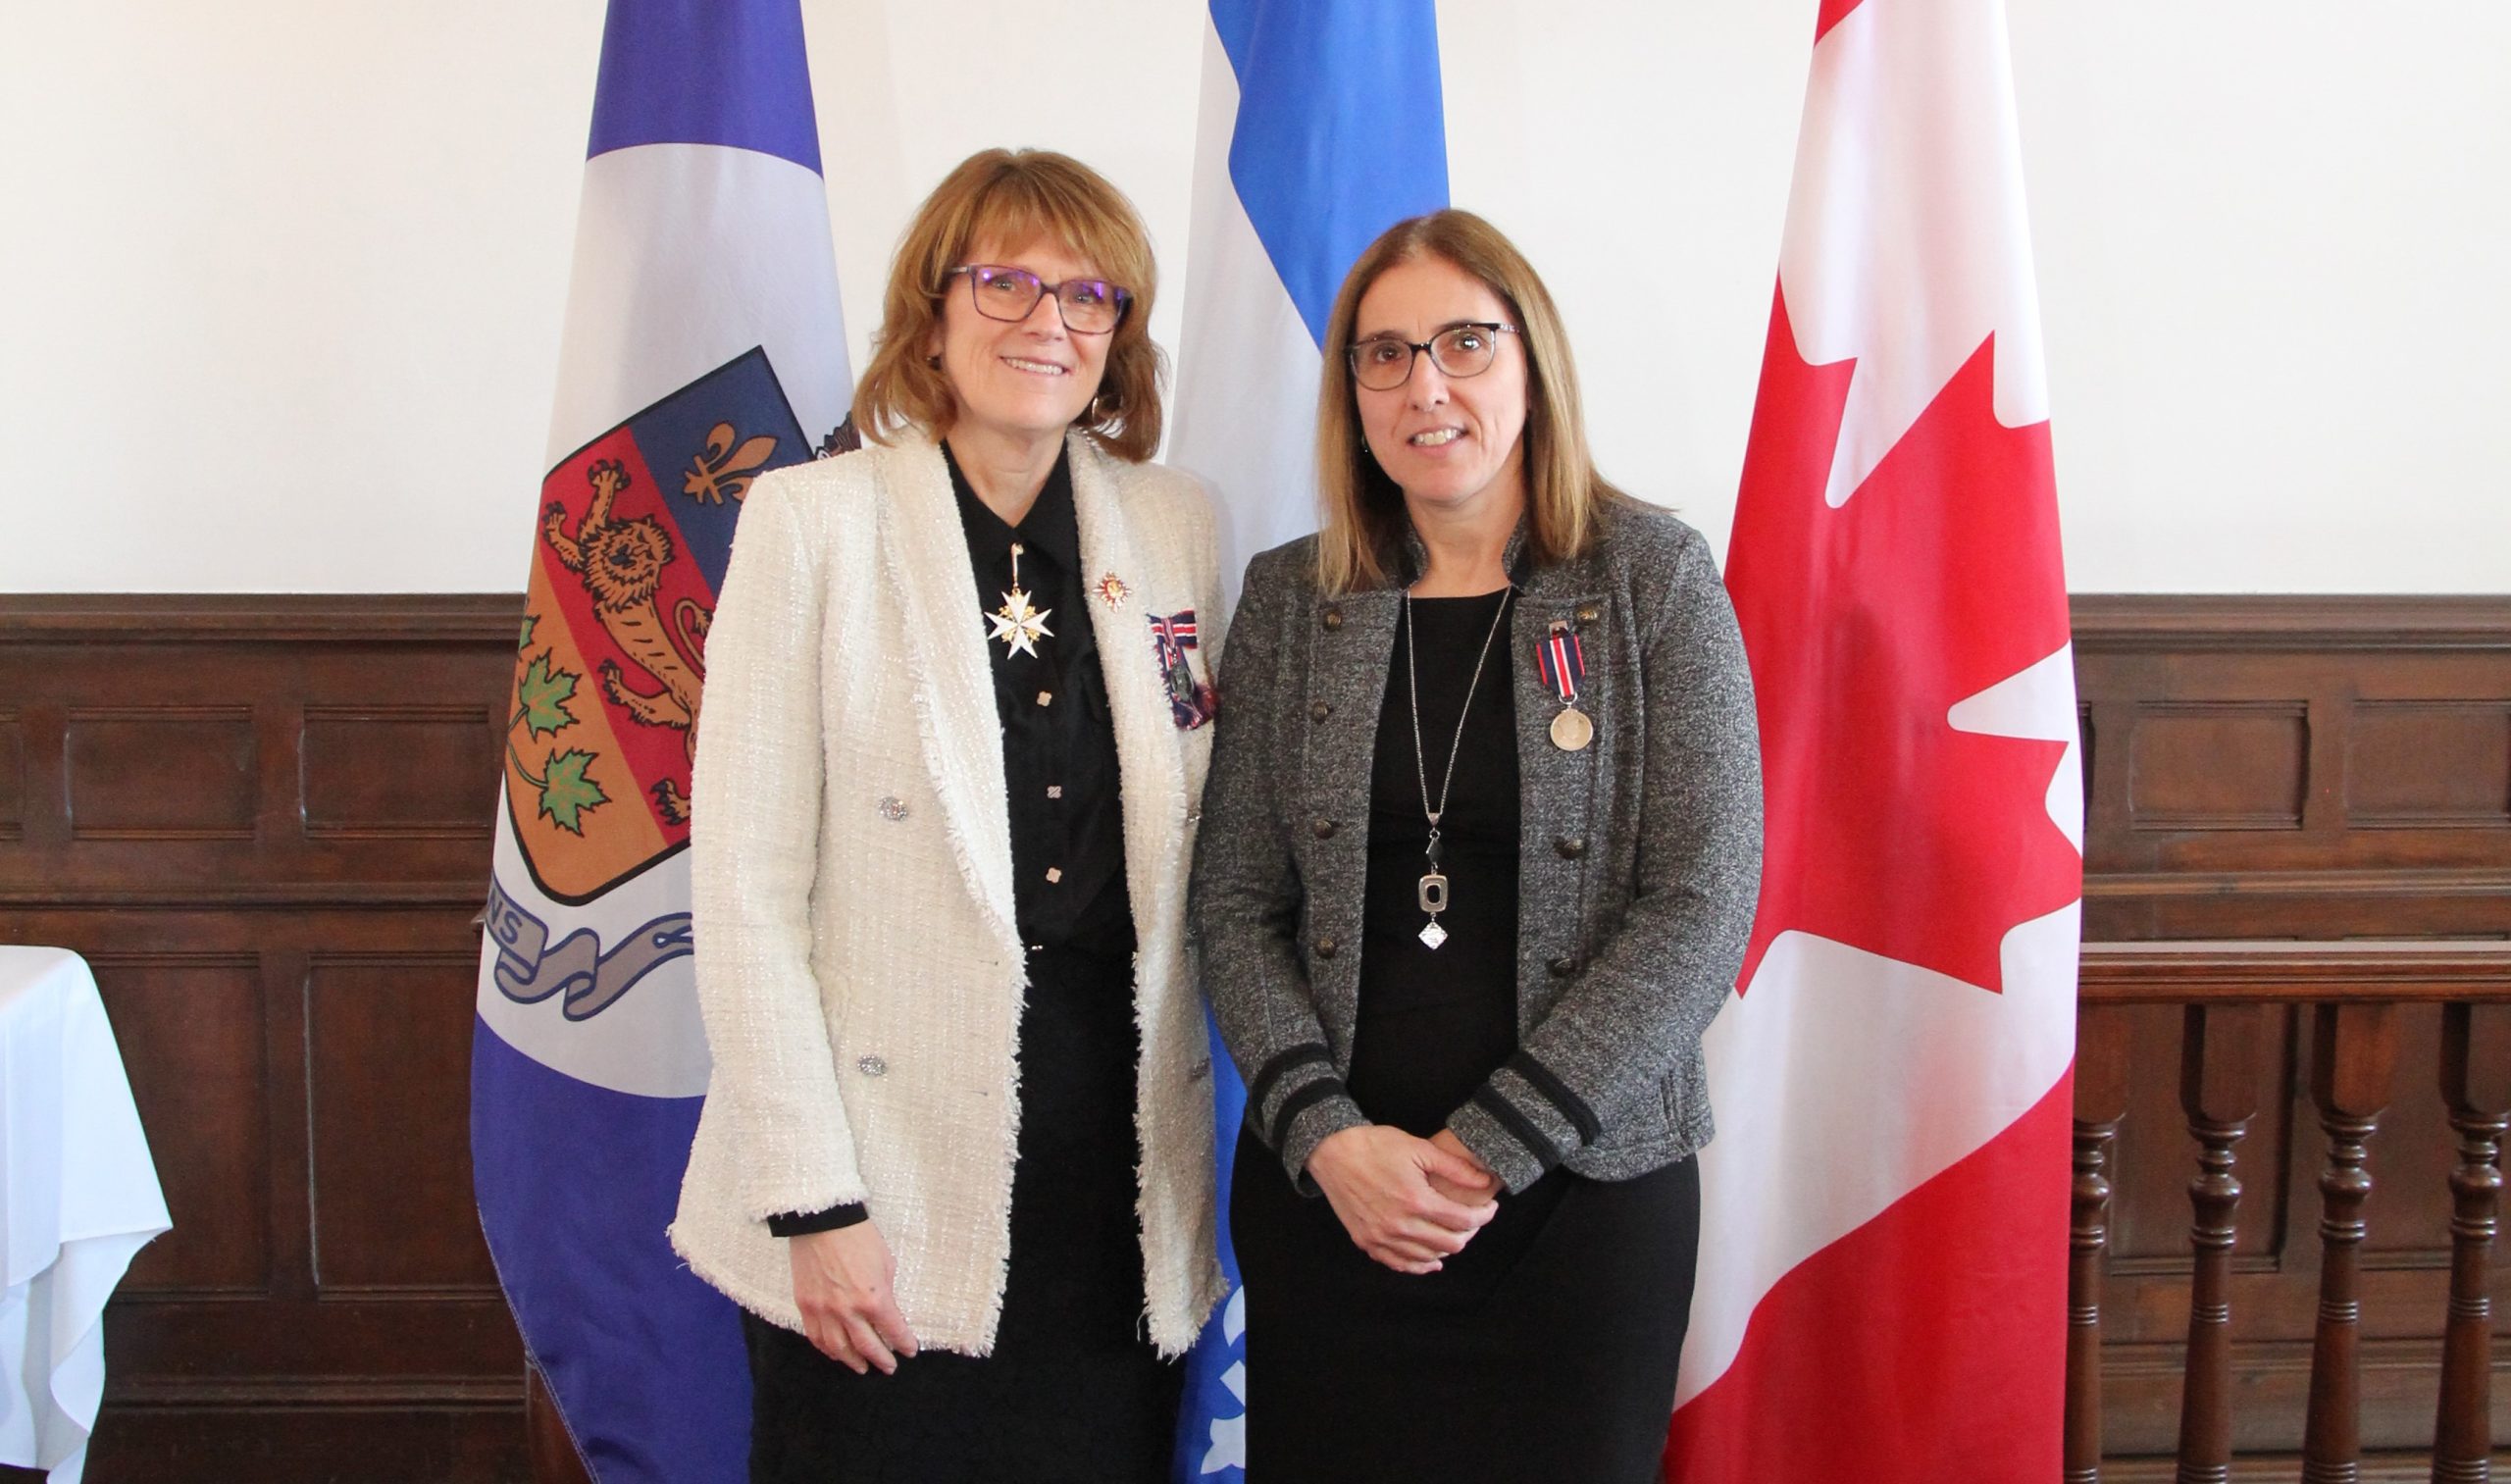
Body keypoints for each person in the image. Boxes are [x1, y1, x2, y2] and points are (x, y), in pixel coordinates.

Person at [670, 148, 1226, 1484]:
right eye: (1007, 283)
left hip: (1113, 1157)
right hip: (879, 1160)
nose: (1049, 322)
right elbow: (742, 893)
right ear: (932, 311)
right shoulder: (812, 522)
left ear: (1118, 337)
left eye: (1089, 296)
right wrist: (816, 1199)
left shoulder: (1177, 524)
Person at [1191, 208, 1764, 1482]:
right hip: (1330, 1201)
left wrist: (1480, 1152)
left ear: (1532, 364)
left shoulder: (1652, 581)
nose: (1425, 384)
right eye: (1385, 354)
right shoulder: (1294, 599)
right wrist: (1328, 1136)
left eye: (1464, 341)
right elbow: (1232, 900)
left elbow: (1701, 903)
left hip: (1582, 1212)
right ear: (1350, 391)